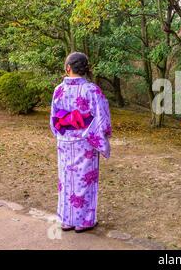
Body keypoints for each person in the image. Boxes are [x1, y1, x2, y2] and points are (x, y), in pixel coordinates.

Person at [50, 52, 112, 233]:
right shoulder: (92, 90)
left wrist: (61, 133)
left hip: (65, 141)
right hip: (85, 141)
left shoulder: (58, 90)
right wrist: (102, 137)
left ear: (68, 68)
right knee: (84, 181)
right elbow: (102, 118)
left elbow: (55, 119)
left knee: (66, 180)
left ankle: (67, 220)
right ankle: (83, 222)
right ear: (85, 68)